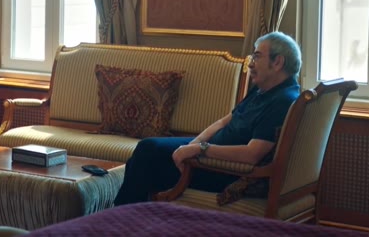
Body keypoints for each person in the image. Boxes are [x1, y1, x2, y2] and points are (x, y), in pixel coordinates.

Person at [114, 31, 302, 206]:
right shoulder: (263, 89)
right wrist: (193, 145)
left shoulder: (283, 101)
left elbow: (251, 155)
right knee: (146, 149)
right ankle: (128, 216)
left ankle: (121, 218)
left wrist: (200, 149)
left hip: (224, 171)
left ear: (277, 62)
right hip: (207, 153)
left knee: (145, 160)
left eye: (257, 56)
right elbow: (223, 122)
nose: (251, 63)